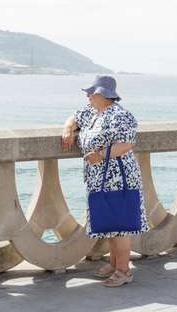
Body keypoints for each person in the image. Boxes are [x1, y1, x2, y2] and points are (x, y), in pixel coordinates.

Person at [61, 75, 149, 287]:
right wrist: (68, 129)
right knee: (110, 224)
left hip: (119, 177)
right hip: (99, 177)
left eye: (91, 93)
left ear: (102, 94)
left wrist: (100, 155)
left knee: (120, 227)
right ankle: (113, 264)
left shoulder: (120, 115)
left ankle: (123, 271)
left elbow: (127, 144)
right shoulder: (91, 111)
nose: (88, 96)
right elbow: (73, 117)